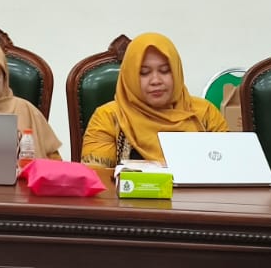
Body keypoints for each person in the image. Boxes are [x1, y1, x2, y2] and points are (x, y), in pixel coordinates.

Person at [80, 32, 227, 167]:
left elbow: (229, 167)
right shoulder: (109, 117)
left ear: (177, 72)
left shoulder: (205, 113)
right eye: (144, 73)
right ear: (130, 77)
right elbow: (97, 178)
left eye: (165, 71)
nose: (156, 80)